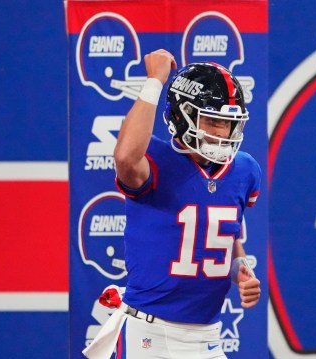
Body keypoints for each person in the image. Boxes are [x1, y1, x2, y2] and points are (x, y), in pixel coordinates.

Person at [83, 49, 261, 359]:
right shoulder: (156, 160)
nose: (221, 132)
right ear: (181, 115)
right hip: (150, 333)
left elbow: (223, 234)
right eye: (211, 119)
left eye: (227, 123)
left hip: (208, 335)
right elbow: (125, 158)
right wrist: (154, 81)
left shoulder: (244, 170)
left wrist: (240, 269)